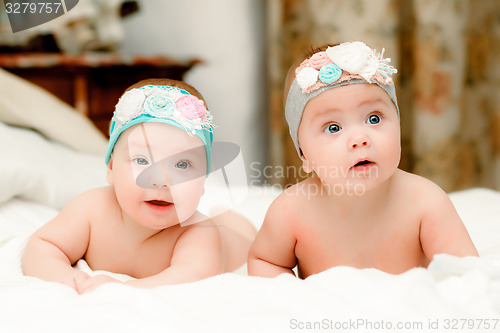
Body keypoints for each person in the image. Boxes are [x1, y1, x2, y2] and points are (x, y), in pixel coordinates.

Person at [247, 41, 478, 278]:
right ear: (304, 154)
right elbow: (265, 261)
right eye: (333, 127)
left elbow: (467, 273)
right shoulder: (291, 211)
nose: (359, 138)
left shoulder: (425, 202)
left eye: (374, 119)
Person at [23, 78, 256, 293]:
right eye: (142, 161)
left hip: (235, 238)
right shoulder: (91, 209)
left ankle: (231, 219)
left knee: (232, 226)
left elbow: (193, 277)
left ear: (203, 180)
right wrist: (64, 277)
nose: (161, 180)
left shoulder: (197, 232)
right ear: (112, 169)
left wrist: (128, 289)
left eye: (182, 165)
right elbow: (44, 245)